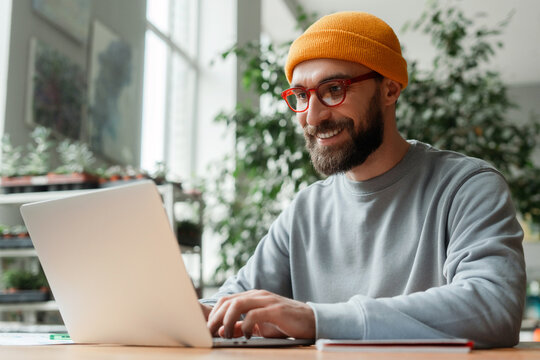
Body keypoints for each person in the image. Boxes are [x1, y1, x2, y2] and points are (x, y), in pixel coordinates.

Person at [200, 11, 526, 348]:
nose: (312, 116)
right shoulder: (306, 210)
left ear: (389, 89)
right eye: (300, 95)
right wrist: (191, 314)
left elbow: (494, 306)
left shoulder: (467, 187)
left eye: (334, 89)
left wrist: (316, 319)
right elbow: (233, 303)